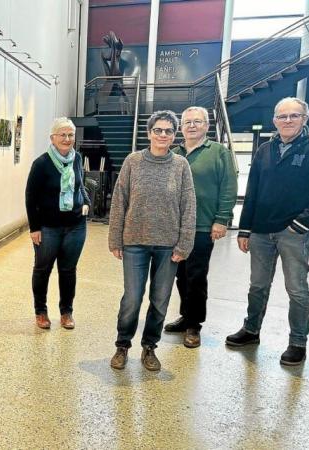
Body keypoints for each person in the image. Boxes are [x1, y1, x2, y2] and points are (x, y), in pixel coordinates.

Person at [226, 97, 309, 366]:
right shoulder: (264, 151)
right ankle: (251, 329)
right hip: (260, 231)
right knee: (258, 285)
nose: (287, 121)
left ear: (305, 119)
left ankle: (297, 342)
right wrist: (245, 228)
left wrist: (302, 224)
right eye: (282, 116)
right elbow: (253, 191)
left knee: (296, 289)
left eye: (294, 116)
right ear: (274, 120)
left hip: (294, 233)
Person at [108, 110, 196, 371]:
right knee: (132, 298)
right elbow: (119, 200)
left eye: (168, 131)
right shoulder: (133, 162)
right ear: (149, 133)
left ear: (174, 135)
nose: (163, 135)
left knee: (160, 300)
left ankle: (149, 347)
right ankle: (122, 345)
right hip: (134, 241)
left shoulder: (181, 165)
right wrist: (115, 238)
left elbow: (189, 205)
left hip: (168, 246)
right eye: (158, 130)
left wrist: (184, 244)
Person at [164, 107, 238, 348]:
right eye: (187, 122)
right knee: (180, 276)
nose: (192, 126)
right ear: (181, 127)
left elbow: (228, 188)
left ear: (207, 126)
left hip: (203, 226)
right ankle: (186, 316)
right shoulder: (173, 153)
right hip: (174, 228)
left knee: (196, 276)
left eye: (197, 122)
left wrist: (221, 219)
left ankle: (195, 324)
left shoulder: (219, 153)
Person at [25, 118, 90, 330]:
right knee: (43, 269)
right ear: (52, 138)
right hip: (48, 227)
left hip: (76, 226)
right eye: (62, 134)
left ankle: (66, 312)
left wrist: (87, 202)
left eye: (71, 135)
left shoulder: (77, 158)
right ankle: (40, 311)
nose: (67, 139)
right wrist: (34, 228)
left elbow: (80, 185)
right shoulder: (41, 164)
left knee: (68, 270)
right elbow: (30, 197)